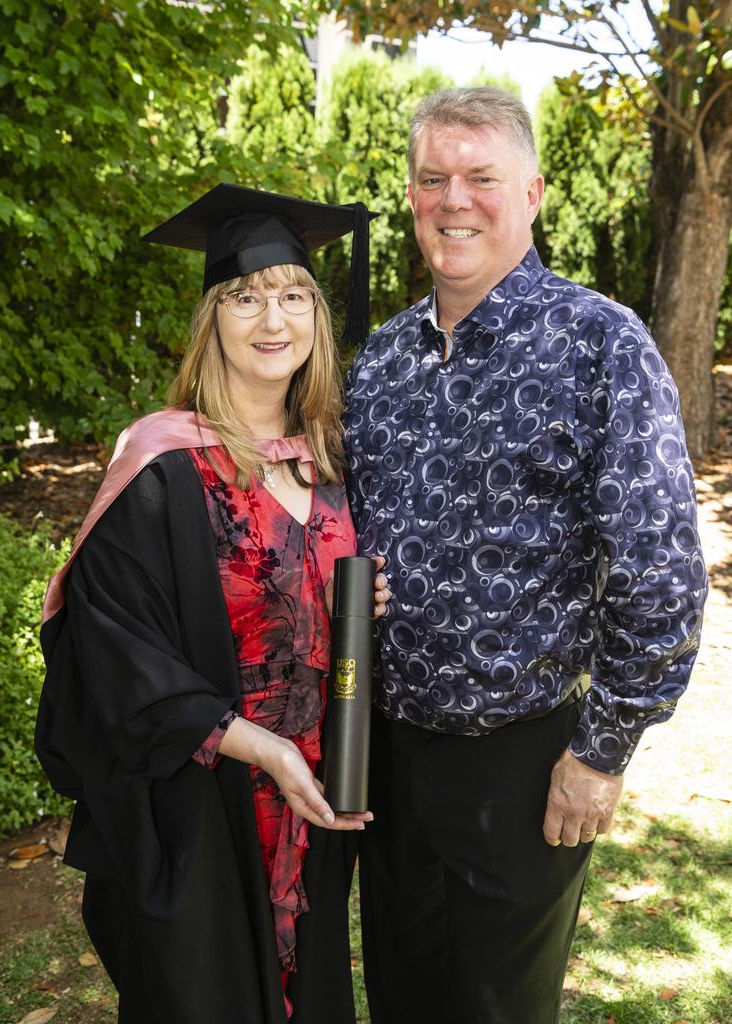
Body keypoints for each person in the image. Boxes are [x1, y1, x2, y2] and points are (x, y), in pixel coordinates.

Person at [344, 87, 708, 1024]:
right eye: (432, 179)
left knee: (498, 1007)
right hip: (383, 756)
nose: (453, 199)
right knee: (403, 993)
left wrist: (602, 753)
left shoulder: (600, 346)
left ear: (534, 192)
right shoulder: (380, 360)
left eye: (480, 177)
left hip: (522, 763)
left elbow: (661, 572)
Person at [36, 183, 389, 1024]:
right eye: (246, 297)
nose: (275, 318)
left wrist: (352, 605)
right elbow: (118, 648)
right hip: (206, 797)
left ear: (317, 316)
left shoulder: (328, 462)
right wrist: (264, 751)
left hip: (318, 791)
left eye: (295, 295)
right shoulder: (160, 463)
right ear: (213, 321)